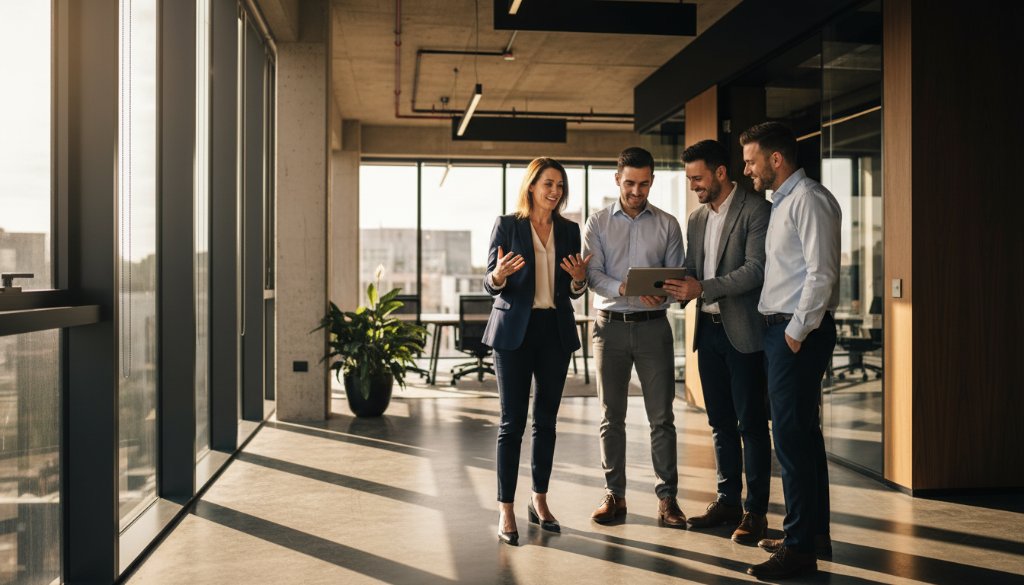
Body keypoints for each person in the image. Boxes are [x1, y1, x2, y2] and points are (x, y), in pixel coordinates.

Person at [739, 122, 841, 579]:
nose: (747, 169)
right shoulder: (781, 204)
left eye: (750, 160)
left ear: (775, 160)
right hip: (780, 333)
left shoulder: (810, 200)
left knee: (792, 443)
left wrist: (795, 334)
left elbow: (821, 275)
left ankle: (799, 550)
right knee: (803, 437)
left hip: (795, 336)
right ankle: (812, 534)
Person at [660, 139, 772, 545]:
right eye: (689, 178)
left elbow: (755, 270)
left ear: (721, 172)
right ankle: (727, 500)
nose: (693, 185)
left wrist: (701, 285)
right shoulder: (696, 219)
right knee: (720, 423)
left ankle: (755, 511)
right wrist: (669, 286)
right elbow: (692, 269)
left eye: (698, 177)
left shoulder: (757, 210)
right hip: (706, 331)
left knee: (752, 425)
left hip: (743, 333)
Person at [482, 157, 591, 546]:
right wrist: (498, 276)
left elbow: (573, 288)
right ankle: (506, 509)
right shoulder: (508, 225)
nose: (555, 191)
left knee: (546, 422)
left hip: (554, 331)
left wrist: (580, 282)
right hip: (514, 331)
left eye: (560, 185)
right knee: (512, 423)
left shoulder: (569, 230)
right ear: (532, 186)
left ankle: (539, 500)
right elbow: (489, 281)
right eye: (548, 184)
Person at [583, 146, 687, 528]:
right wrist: (625, 287)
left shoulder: (668, 224)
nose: (636, 191)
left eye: (644, 184)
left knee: (662, 418)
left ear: (652, 181)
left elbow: (678, 275)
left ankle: (668, 500)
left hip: (653, 328)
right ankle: (615, 495)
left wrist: (662, 292)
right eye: (629, 183)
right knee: (612, 417)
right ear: (617, 179)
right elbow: (592, 276)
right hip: (608, 329)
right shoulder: (596, 223)